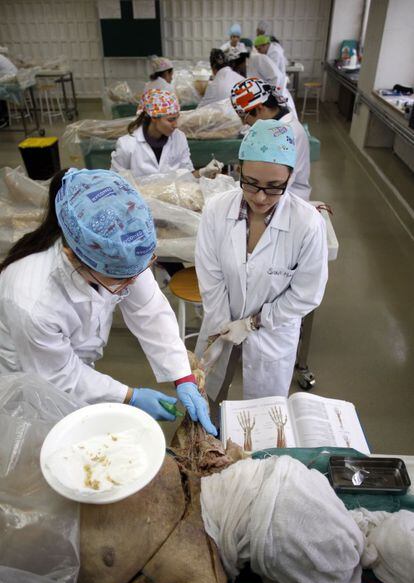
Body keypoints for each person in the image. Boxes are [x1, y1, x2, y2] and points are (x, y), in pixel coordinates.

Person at [0, 168, 217, 436]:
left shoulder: (119, 256)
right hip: (29, 378)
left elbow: (149, 311)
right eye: (120, 280)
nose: (131, 284)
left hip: (72, 365)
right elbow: (59, 377)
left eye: (135, 274)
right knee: (50, 437)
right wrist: (130, 396)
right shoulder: (31, 299)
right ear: (72, 257)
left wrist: (182, 377)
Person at [195, 120, 328, 421]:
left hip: (272, 334)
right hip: (221, 322)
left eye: (273, 188)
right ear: (238, 169)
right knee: (209, 401)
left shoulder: (307, 224)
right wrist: (221, 326)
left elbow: (306, 294)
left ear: (291, 177)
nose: (259, 198)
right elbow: (210, 278)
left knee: (263, 419)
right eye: (251, 183)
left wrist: (254, 323)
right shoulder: (216, 210)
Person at [111, 89, 222, 179]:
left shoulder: (179, 138)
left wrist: (204, 172)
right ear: (154, 117)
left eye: (176, 118)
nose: (176, 125)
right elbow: (115, 181)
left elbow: (187, 177)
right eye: (170, 120)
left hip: (173, 203)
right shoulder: (127, 145)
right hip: (140, 204)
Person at [231, 78, 311, 200]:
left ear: (260, 108)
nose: (244, 122)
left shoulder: (289, 133)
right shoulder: (269, 126)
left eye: (244, 117)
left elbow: (278, 183)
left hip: (287, 196)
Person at [228, 47, 297, 117]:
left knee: (284, 122)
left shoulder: (259, 59)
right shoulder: (247, 66)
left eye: (238, 68)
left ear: (242, 61)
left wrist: (269, 98)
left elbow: (276, 78)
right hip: (266, 104)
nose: (239, 71)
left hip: (278, 97)